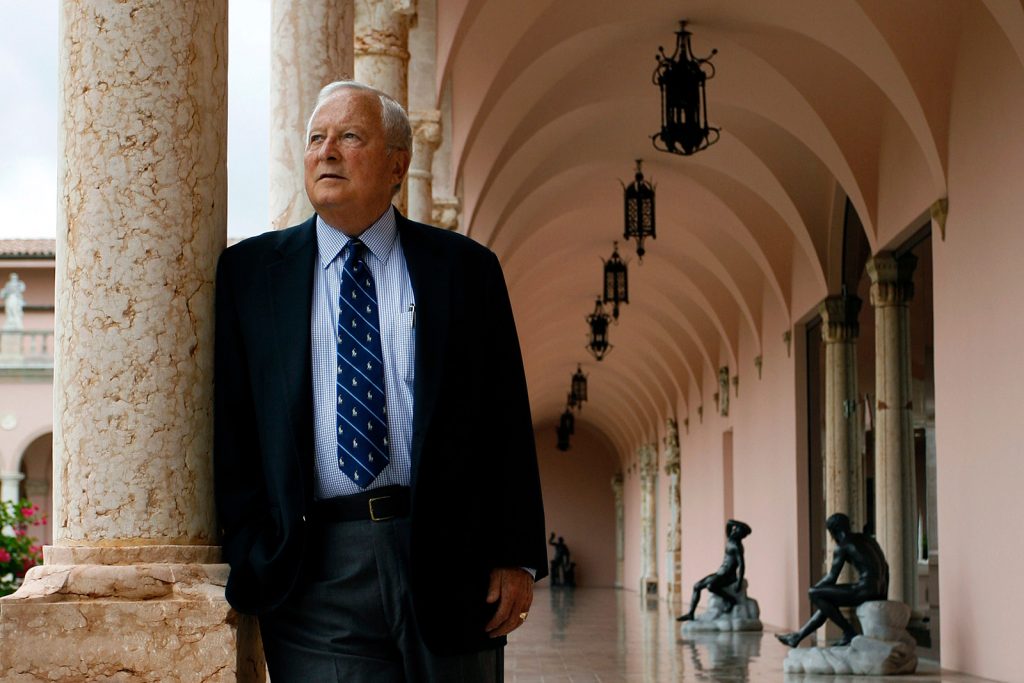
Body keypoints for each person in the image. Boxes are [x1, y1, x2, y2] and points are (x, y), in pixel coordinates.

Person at [214, 80, 548, 682]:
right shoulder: (252, 274)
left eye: (349, 136)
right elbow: (233, 422)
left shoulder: (465, 270)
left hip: (450, 553)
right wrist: (250, 545)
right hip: (314, 567)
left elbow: (505, 414)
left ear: (398, 164)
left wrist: (515, 553)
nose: (327, 152)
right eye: (316, 138)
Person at [776, 513, 889, 647]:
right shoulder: (867, 539)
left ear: (833, 531)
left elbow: (831, 578)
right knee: (826, 602)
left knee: (815, 593)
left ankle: (849, 632)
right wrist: (884, 595)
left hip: (865, 590)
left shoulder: (843, 545)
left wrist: (814, 591)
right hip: (880, 590)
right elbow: (886, 569)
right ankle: (797, 637)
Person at [676, 519, 751, 622]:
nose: (733, 529)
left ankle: (730, 600)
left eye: (737, 530)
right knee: (699, 586)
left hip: (728, 576)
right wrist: (739, 525)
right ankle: (691, 614)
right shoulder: (730, 538)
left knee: (708, 586)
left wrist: (739, 582)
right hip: (720, 573)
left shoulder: (737, 546)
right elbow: (729, 522)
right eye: (735, 528)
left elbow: (742, 565)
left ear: (740, 534)